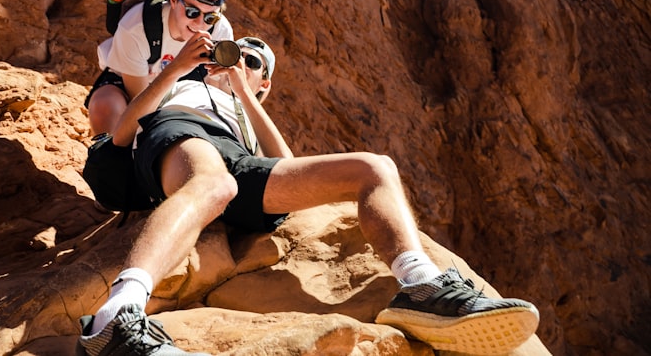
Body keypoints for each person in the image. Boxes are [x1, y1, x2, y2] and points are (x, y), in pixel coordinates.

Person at [77, 34, 539, 356]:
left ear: (265, 82)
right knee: (214, 184)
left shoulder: (245, 107)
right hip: (178, 131)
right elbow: (125, 128)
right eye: (235, 51)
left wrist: (243, 89)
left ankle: (421, 287)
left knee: (374, 167)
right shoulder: (186, 83)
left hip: (237, 156)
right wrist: (181, 68)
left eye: (253, 61)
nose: (238, 59)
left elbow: (284, 161)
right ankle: (116, 317)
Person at [86, 0, 235, 137]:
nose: (200, 24)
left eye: (211, 17)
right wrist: (177, 66)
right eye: (192, 11)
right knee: (105, 105)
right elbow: (139, 103)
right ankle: (110, 158)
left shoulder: (220, 31)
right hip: (133, 84)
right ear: (173, 0)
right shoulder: (136, 26)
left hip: (182, 87)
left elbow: (216, 90)